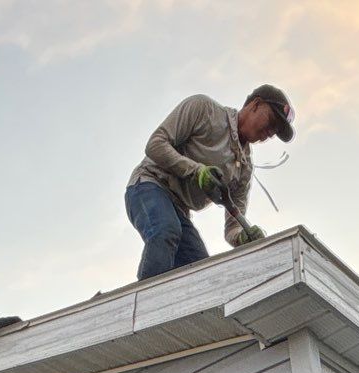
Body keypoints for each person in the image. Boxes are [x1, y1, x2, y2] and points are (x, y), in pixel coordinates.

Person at [125, 84, 294, 281]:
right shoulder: (204, 110)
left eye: (275, 132)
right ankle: (145, 306)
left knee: (202, 272)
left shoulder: (244, 169)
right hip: (148, 185)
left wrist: (242, 237)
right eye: (272, 122)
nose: (271, 133)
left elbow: (232, 226)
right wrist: (196, 171)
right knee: (166, 230)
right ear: (256, 104)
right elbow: (155, 144)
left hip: (178, 210)